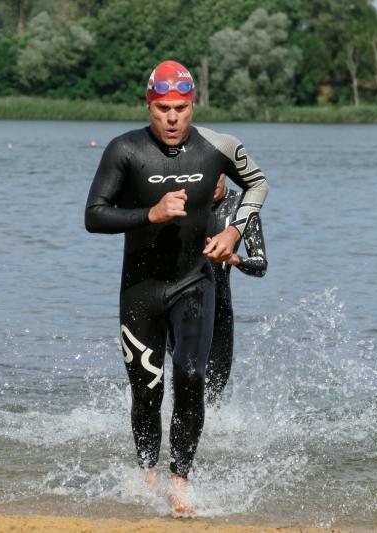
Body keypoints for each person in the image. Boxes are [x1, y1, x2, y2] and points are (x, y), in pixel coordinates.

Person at [85, 60, 268, 516]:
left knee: (190, 375)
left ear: (193, 105)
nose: (172, 118)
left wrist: (234, 232)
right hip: (140, 290)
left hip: (193, 284)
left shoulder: (219, 146)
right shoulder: (124, 150)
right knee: (147, 392)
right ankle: (147, 473)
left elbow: (258, 183)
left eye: (181, 108)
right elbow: (94, 215)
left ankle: (180, 481)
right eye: (162, 108)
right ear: (148, 105)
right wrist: (150, 214)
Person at [204, 174, 267, 405]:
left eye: (217, 176)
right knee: (187, 376)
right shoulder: (185, 201)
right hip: (181, 305)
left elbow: (261, 265)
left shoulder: (241, 207)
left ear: (224, 173)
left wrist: (235, 259)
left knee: (215, 389)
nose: (212, 182)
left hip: (220, 308)